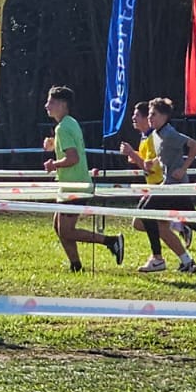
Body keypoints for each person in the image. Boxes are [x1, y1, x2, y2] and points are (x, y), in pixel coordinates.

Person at [118, 98, 196, 273]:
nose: (150, 118)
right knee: (192, 221)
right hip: (168, 184)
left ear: (164, 116)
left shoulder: (168, 133)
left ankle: (158, 258)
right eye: (149, 114)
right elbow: (162, 157)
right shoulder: (157, 134)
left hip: (174, 186)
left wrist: (183, 168)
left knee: (146, 213)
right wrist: (151, 162)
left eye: (153, 114)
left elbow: (195, 146)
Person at [42, 85, 123, 272]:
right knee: (59, 227)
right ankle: (76, 265)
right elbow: (72, 149)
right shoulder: (70, 123)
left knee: (67, 230)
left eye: (51, 102)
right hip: (71, 185)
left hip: (75, 186)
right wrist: (53, 144)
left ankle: (111, 241)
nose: (46, 106)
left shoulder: (63, 128)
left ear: (63, 105)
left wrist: (53, 165)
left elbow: (73, 158)